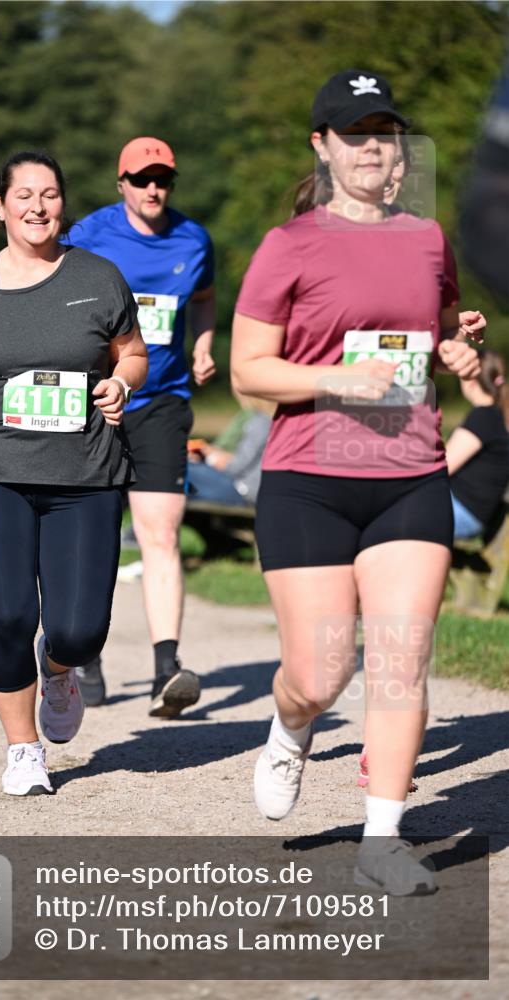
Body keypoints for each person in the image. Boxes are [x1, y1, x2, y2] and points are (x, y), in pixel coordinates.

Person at [231, 69, 480, 895]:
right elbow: (247, 372)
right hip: (308, 477)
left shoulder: (427, 238)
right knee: (320, 671)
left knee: (402, 661)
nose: (372, 145)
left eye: (383, 131)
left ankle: (382, 836)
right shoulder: (288, 244)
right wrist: (338, 377)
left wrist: (458, 348)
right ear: (322, 145)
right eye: (354, 131)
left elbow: (439, 329)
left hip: (409, 473)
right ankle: (290, 726)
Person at [0, 150, 147, 796]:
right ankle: (22, 750)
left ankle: (59, 668)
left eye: (49, 195)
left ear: (62, 204)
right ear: (0, 208)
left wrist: (121, 383)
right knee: (7, 615)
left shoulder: (98, 275)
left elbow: (132, 353)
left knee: (79, 628)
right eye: (23, 196)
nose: (37, 207)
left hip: (84, 472)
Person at [64, 137, 216, 716]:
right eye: (142, 179)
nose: (154, 189)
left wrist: (202, 343)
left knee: (161, 533)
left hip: (163, 401)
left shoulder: (194, 238)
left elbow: (203, 297)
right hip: (96, 400)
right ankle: (84, 653)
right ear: (121, 183)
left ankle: (165, 669)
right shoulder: (89, 235)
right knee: (93, 532)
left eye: (164, 179)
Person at [447, 349, 509, 537]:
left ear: (471, 380)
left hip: (463, 511)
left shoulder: (483, 416)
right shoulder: (497, 414)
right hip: (471, 511)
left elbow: (442, 466)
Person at [186, 395, 272, 507]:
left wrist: (211, 458)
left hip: (244, 489)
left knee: (184, 469)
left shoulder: (261, 422)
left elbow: (235, 468)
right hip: (245, 487)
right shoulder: (264, 421)